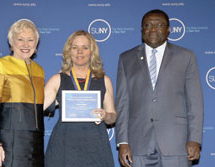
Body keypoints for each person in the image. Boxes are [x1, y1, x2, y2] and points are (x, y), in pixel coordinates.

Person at [115, 9, 203, 167]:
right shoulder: (126, 58)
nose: (153, 29)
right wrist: (122, 142)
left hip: (177, 145)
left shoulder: (186, 57)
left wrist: (194, 139)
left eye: (159, 25)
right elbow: (122, 103)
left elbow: (194, 101)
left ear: (168, 29)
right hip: (138, 145)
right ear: (142, 29)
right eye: (148, 25)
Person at [43, 30, 116, 167]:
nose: (80, 52)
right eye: (75, 48)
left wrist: (106, 115)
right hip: (64, 144)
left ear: (92, 51)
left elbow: (113, 116)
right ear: (69, 51)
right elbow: (36, 107)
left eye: (85, 47)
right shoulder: (57, 80)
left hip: (96, 145)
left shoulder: (104, 80)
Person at [0, 19, 45, 167]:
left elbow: (43, 106)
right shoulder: (0, 65)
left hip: (35, 142)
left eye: (30, 40)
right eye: (20, 39)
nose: (26, 44)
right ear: (12, 43)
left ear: (36, 44)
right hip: (10, 141)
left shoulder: (39, 70)